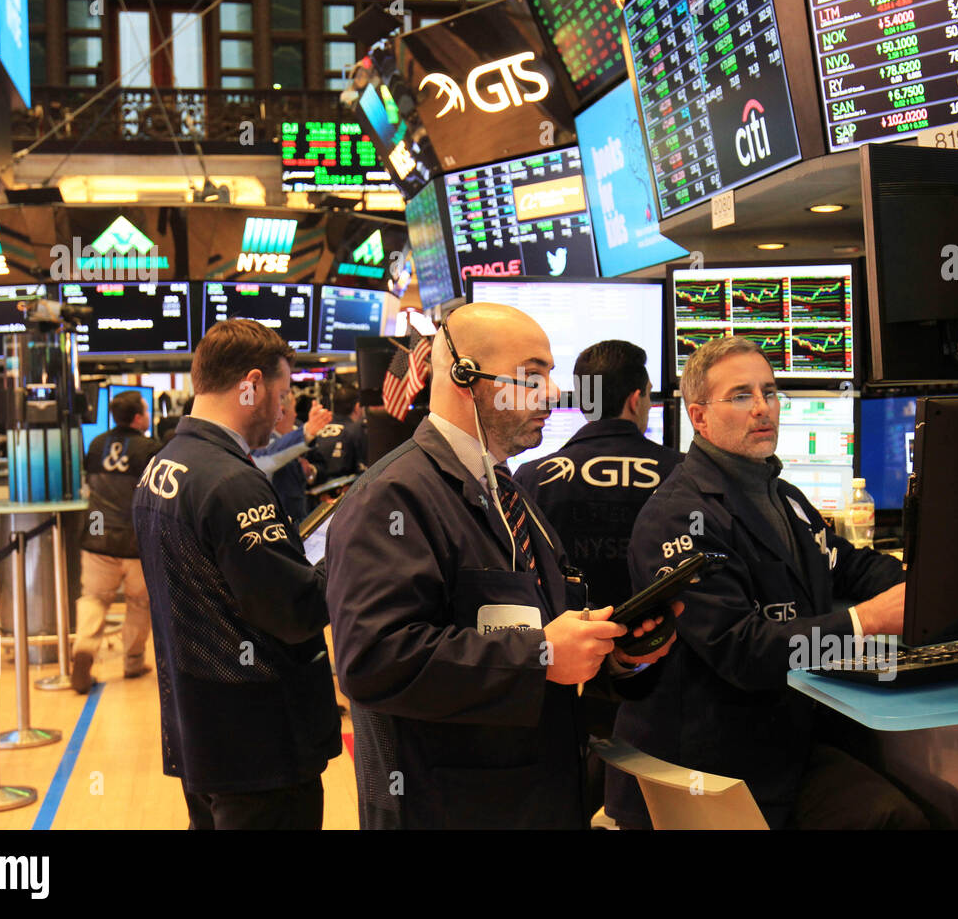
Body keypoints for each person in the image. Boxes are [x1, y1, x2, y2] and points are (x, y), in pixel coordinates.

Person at [325, 302, 678, 829]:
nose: (554, 395)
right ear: (467, 377)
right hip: (448, 808)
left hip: (531, 795)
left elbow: (534, 624)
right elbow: (373, 657)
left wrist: (609, 652)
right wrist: (540, 656)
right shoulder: (393, 496)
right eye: (532, 376)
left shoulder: (505, 487)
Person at [607, 335, 927, 829]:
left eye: (770, 392)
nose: (763, 408)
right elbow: (742, 650)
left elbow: (850, 566)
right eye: (741, 396)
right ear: (699, 417)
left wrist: (930, 583)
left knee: (906, 809)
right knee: (889, 820)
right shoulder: (679, 517)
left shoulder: (784, 497)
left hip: (780, 743)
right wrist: (866, 621)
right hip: (708, 769)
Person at [132, 319, 339, 830]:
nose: (280, 409)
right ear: (251, 383)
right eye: (282, 392)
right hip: (260, 745)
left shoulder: (163, 465)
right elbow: (294, 611)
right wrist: (352, 552)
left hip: (201, 727)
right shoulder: (231, 482)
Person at [513, 340, 682, 813]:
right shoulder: (682, 475)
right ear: (636, 399)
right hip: (657, 678)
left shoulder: (530, 477)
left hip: (561, 680)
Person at [72, 390, 161, 695]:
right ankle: (133, 661)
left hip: (97, 536)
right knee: (139, 602)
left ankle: (84, 648)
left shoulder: (96, 445)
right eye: (146, 410)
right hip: (135, 542)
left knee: (95, 597)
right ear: (138, 417)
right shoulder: (150, 449)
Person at [250, 389, 334, 523]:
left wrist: (310, 472)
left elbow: (320, 468)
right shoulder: (258, 443)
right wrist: (307, 431)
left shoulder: (294, 437)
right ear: (281, 412)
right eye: (293, 409)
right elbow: (265, 458)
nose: (295, 415)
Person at [307, 385, 367, 485]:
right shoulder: (357, 430)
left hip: (314, 487)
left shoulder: (316, 428)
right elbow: (363, 470)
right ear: (357, 407)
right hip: (344, 491)